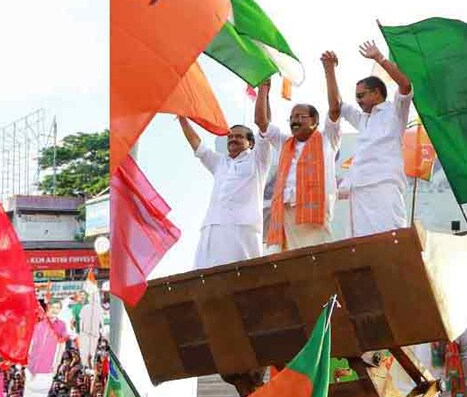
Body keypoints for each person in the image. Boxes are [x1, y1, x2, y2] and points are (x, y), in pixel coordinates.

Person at [326, 41, 414, 237]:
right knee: (362, 246)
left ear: (376, 93)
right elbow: (336, 105)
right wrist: (330, 69)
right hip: (358, 189)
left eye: (361, 95)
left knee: (391, 240)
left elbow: (406, 85)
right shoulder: (362, 119)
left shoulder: (395, 111)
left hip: (384, 185)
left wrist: (379, 58)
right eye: (356, 96)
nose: (357, 100)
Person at [256, 72, 341, 253]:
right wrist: (263, 90)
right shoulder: (284, 142)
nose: (295, 120)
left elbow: (335, 109)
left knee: (319, 262)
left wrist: (328, 71)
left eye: (301, 116)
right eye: (293, 117)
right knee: (280, 264)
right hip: (283, 214)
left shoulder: (327, 139)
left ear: (315, 121)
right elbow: (261, 122)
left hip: (313, 216)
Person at [177, 113, 271, 268]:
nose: (233, 139)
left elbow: (264, 125)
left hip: (242, 229)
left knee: (241, 277)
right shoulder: (220, 162)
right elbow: (197, 145)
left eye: (239, 137)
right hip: (213, 227)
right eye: (230, 137)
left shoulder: (258, 160)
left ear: (251, 143)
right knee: (205, 276)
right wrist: (182, 119)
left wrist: (262, 91)